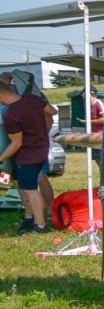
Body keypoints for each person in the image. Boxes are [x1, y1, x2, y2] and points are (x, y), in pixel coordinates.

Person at [0, 73, 54, 234]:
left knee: (30, 189)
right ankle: (31, 217)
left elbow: (17, 142)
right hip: (41, 149)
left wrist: (1, 158)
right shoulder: (32, 99)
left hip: (28, 155)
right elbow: (52, 111)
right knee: (23, 185)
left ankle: (40, 224)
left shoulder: (11, 115)